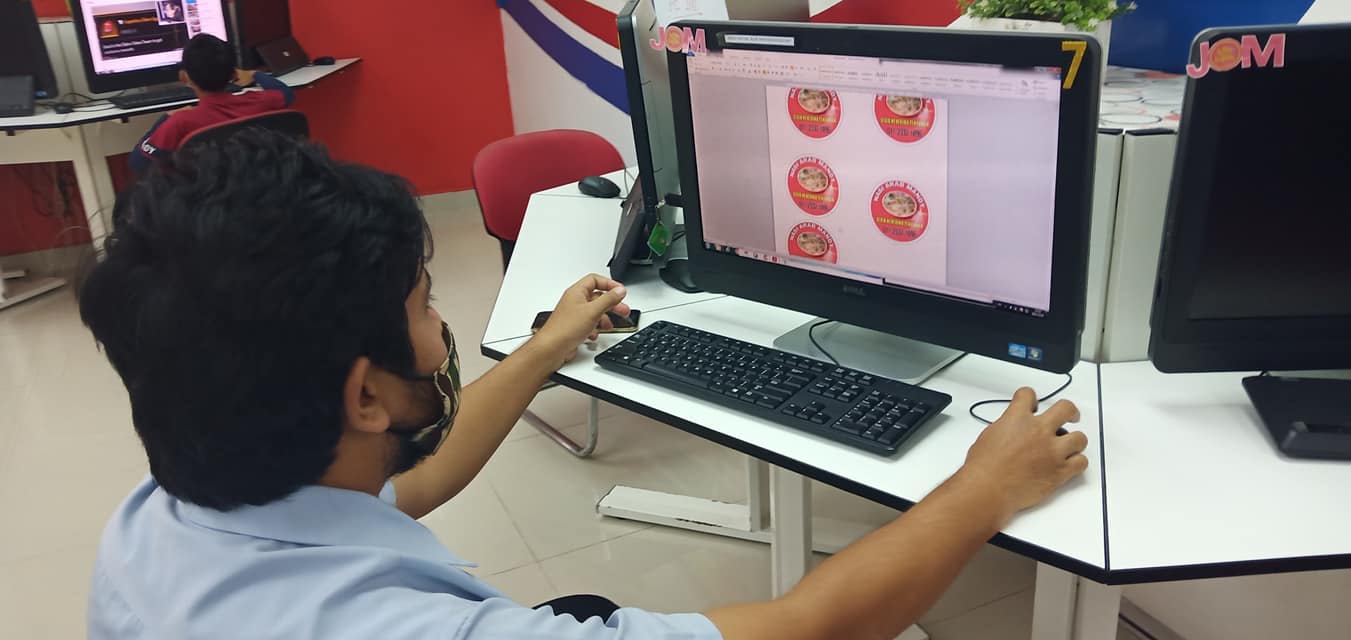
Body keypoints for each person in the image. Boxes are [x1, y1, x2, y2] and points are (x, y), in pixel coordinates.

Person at [81, 130, 1089, 639]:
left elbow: (411, 482)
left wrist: (545, 347)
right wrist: (983, 488)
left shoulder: (164, 517)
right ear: (365, 397)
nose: (438, 325)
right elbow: (810, 629)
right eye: (426, 303)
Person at [129, 34, 295, 175]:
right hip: (258, 189)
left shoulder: (179, 122)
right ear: (234, 74)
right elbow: (286, 93)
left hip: (209, 198)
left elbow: (138, 163)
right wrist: (254, 74)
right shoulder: (258, 101)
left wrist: (165, 118)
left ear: (184, 77)